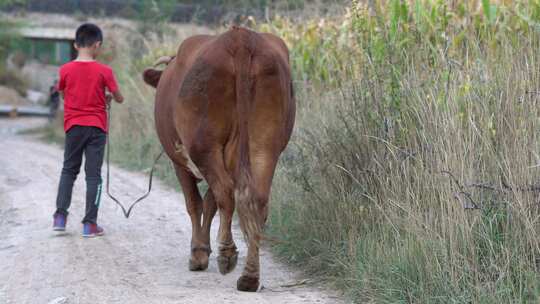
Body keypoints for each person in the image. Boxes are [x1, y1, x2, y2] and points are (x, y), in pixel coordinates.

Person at [52, 23, 124, 237]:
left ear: (75, 45)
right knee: (93, 176)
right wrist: (108, 97)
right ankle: (89, 224)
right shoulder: (105, 71)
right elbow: (119, 97)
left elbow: (63, 93)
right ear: (97, 45)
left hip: (73, 127)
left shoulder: (65, 69)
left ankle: (60, 217)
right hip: (96, 128)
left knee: (68, 171)